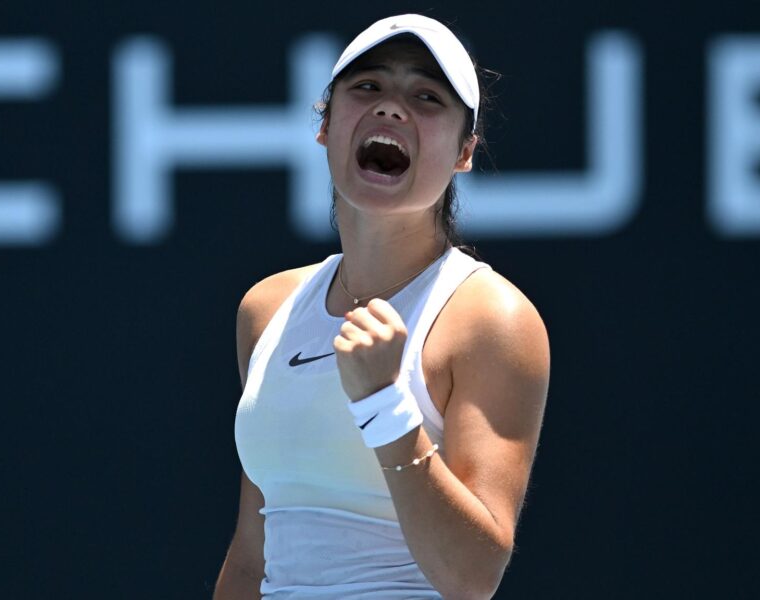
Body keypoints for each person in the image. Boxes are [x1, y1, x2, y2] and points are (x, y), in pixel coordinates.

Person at [215, 14, 550, 599]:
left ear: (465, 151)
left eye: (426, 96)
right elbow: (252, 553)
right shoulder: (266, 309)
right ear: (325, 123)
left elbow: (472, 578)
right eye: (367, 87)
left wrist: (384, 407)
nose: (392, 108)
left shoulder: (491, 320)